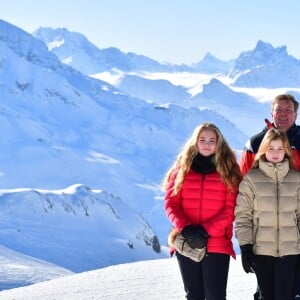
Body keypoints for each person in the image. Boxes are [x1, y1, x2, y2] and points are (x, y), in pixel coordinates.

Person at [163, 122, 242, 300]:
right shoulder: (181, 169)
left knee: (216, 296)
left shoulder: (229, 171)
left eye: (212, 140)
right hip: (187, 241)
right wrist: (187, 229)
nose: (207, 144)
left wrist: (205, 231)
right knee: (194, 295)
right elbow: (170, 203)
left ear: (219, 143)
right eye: (202, 139)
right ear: (195, 142)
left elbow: (230, 210)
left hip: (216, 244)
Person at [239, 94, 300, 299]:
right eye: (279, 110)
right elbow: (243, 195)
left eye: (288, 110)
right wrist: (246, 245)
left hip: (292, 241)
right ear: (271, 113)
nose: (283, 114)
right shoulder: (255, 142)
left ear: (296, 114)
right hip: (263, 240)